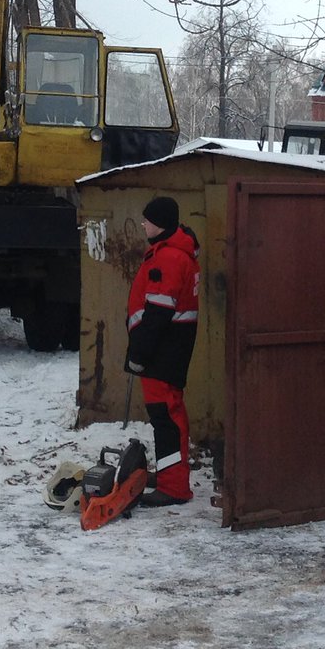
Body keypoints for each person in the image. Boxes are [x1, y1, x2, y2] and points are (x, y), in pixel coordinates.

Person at [125, 195, 200, 507]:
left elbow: (157, 314)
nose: (143, 224)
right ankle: (172, 476)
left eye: (148, 220)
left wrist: (139, 356)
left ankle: (173, 487)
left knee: (165, 417)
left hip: (161, 351)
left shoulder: (168, 258)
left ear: (162, 224)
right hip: (169, 347)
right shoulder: (175, 253)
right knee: (170, 415)